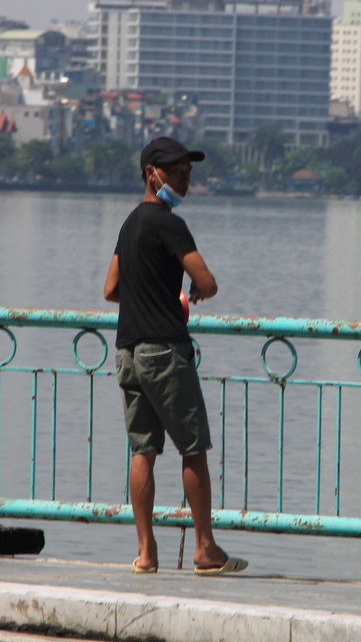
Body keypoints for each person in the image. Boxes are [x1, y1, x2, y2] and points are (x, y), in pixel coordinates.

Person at [103, 136, 248, 576]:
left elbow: (111, 290)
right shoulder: (168, 223)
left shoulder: (129, 224)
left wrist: (152, 294)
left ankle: (147, 554)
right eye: (176, 169)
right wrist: (185, 297)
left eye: (189, 169)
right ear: (152, 173)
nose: (186, 176)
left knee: (143, 450)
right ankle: (205, 549)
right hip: (164, 350)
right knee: (193, 448)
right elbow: (207, 282)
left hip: (127, 350)